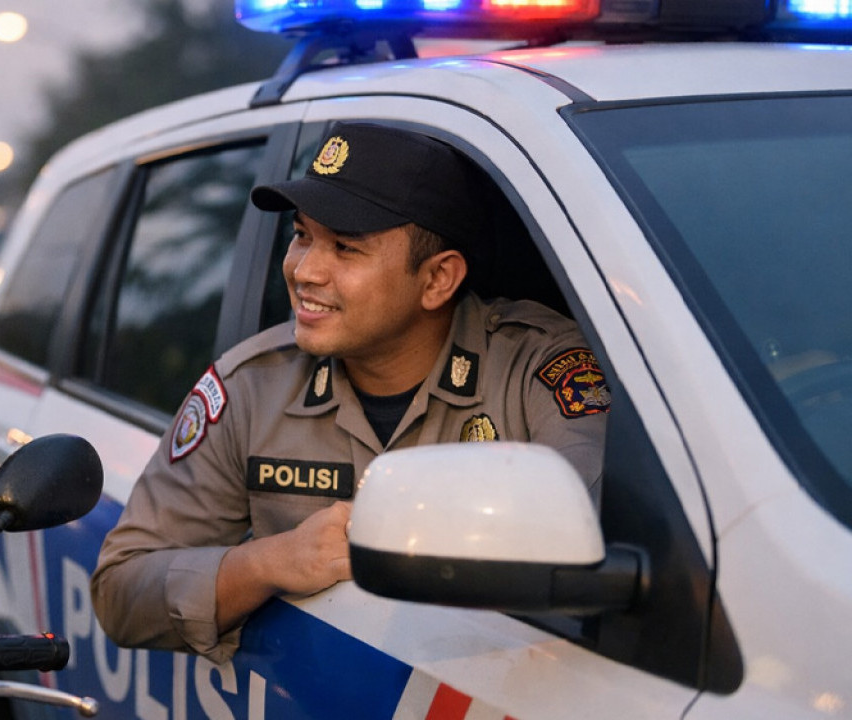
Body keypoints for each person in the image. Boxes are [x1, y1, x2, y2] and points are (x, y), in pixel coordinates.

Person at [91, 121, 611, 663]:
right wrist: (268, 563)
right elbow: (120, 593)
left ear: (437, 280)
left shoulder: (540, 371)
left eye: (345, 247)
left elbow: (597, 540)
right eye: (302, 236)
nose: (304, 270)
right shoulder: (253, 385)